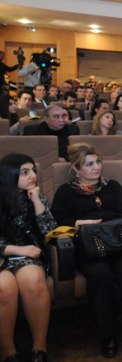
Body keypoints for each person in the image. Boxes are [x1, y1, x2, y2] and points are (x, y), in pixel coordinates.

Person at [50, 143, 122, 357]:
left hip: (119, 244)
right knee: (99, 274)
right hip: (89, 249)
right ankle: (109, 334)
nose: (96, 167)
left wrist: (100, 222)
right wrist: (81, 222)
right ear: (77, 169)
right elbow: (57, 221)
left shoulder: (112, 186)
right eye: (89, 164)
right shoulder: (65, 192)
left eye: (98, 162)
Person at [0, 154, 56, 362]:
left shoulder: (36, 195)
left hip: (29, 254)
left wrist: (37, 202)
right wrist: (16, 250)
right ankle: (8, 352)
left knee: (32, 281)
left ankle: (39, 349)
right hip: (5, 254)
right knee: (4, 287)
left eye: (33, 170)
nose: (32, 176)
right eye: (25, 172)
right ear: (9, 175)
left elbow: (51, 233)